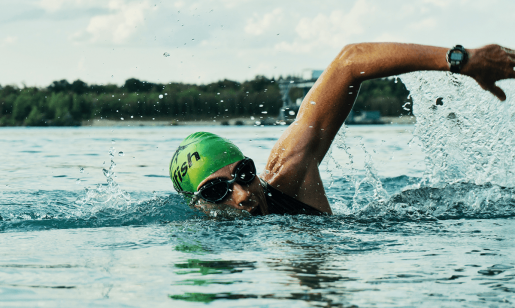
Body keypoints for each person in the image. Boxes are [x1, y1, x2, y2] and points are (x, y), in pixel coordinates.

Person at [170, 43, 515, 216]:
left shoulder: (288, 174)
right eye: (217, 191)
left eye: (244, 174)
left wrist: (461, 60)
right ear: (197, 205)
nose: (243, 194)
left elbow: (349, 61)